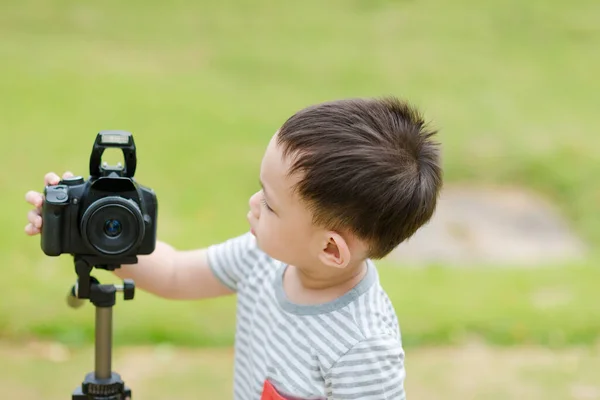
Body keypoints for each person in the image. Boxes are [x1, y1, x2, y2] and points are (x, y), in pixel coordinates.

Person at [24, 96, 442, 400]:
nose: (253, 204)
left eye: (270, 203)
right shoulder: (260, 257)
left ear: (331, 250)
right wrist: (90, 228)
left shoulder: (362, 347)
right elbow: (173, 273)